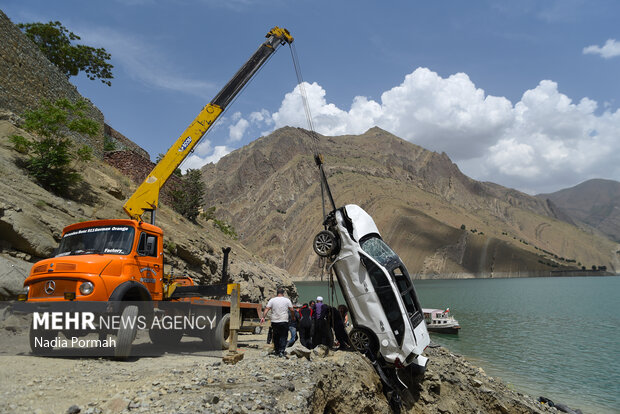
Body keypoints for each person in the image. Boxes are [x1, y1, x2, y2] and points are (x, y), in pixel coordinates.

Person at [261, 287, 294, 357]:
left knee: (276, 336)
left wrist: (263, 317)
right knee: (284, 336)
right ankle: (282, 351)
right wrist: (293, 317)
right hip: (284, 320)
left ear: (277, 293)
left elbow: (267, 308)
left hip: (275, 321)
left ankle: (276, 351)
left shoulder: (272, 300)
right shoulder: (287, 300)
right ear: (283, 293)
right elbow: (292, 310)